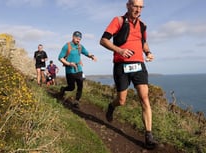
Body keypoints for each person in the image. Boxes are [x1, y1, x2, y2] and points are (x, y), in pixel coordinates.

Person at [99, 0, 157, 149]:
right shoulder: (118, 20)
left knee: (144, 98)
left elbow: (143, 42)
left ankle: (149, 135)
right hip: (121, 65)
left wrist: (148, 52)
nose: (138, 9)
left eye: (141, 7)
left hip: (139, 65)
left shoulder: (142, 25)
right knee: (122, 100)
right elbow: (103, 40)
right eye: (135, 6)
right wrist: (119, 50)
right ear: (128, 5)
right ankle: (112, 106)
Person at [58, 31, 97, 108]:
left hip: (79, 69)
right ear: (73, 37)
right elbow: (60, 58)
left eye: (79, 39)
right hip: (70, 70)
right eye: (77, 38)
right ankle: (63, 89)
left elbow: (86, 53)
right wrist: (69, 64)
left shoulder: (80, 46)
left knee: (80, 86)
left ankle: (77, 101)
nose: (78, 40)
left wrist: (92, 56)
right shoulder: (67, 46)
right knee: (71, 87)